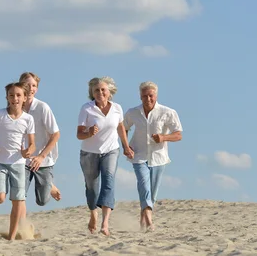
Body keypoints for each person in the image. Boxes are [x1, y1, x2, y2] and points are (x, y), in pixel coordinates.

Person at [77, 77, 134, 236]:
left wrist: (126, 146)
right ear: (92, 93)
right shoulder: (86, 109)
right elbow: (79, 134)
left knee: (108, 181)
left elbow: (121, 127)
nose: (100, 92)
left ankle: (105, 223)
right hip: (89, 153)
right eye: (96, 90)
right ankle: (93, 212)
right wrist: (88, 132)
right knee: (92, 187)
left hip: (111, 150)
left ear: (110, 92)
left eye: (103, 90)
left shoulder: (117, 108)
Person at [123, 81, 182, 231]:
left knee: (152, 191)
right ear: (140, 96)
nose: (148, 99)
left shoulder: (168, 112)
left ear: (156, 95)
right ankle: (149, 220)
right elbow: (123, 128)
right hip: (138, 155)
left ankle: (143, 217)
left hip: (159, 156)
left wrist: (163, 137)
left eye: (151, 96)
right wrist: (125, 145)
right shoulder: (132, 112)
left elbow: (178, 135)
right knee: (144, 184)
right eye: (144, 96)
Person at [0, 82, 36, 241]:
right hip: (0, 162)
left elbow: (32, 144)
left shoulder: (28, 119)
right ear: (7, 97)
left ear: (25, 98)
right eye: (11, 95)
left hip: (19, 164)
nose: (15, 98)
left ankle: (12, 237)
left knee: (18, 200)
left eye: (19, 95)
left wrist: (29, 151)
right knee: (0, 198)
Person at [19, 72, 61, 207]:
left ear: (37, 89)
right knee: (19, 196)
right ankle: (21, 226)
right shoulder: (15, 107)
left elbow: (56, 134)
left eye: (34, 86)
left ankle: (50, 185)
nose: (30, 88)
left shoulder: (42, 107)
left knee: (42, 201)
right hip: (22, 159)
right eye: (27, 85)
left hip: (43, 159)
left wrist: (41, 156)